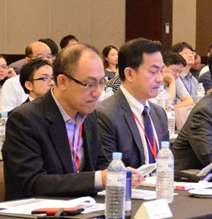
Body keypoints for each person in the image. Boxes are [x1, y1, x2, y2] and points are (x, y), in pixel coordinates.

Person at [3, 44, 110, 200]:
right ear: (62, 81)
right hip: (37, 216)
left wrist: (116, 174)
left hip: (82, 209)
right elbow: (33, 183)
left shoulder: (89, 114)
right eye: (89, 84)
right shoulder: (25, 119)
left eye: (101, 83)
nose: (97, 92)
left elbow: (100, 164)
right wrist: (99, 179)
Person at [97, 38, 169, 168]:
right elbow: (108, 171)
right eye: (153, 72)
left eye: (161, 71)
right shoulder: (106, 115)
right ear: (129, 74)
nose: (159, 79)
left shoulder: (159, 114)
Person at [0, 41, 53, 112]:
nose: (45, 60)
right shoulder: (11, 83)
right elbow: (5, 114)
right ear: (28, 60)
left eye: (49, 57)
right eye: (40, 57)